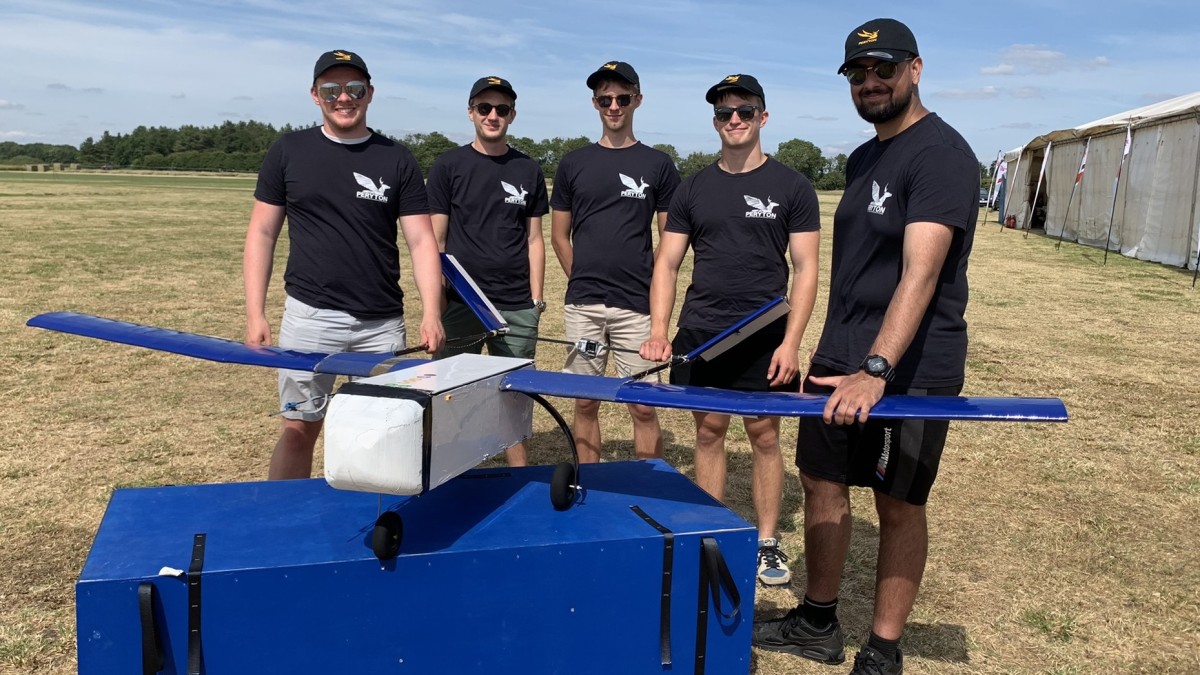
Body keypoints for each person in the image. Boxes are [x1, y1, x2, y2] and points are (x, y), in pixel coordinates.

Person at [751, 19, 980, 675]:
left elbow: (922, 271)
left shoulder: (941, 154)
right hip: (839, 358)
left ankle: (882, 649)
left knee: (899, 504)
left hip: (908, 368)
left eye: (883, 67)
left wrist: (876, 369)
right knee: (820, 480)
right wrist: (838, 357)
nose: (870, 82)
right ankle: (817, 621)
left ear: (916, 68)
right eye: (857, 73)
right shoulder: (863, 157)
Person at [639, 74, 820, 586]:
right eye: (724, 113)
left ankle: (766, 541)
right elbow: (667, 263)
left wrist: (791, 342)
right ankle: (709, 533)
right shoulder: (692, 188)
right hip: (705, 333)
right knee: (709, 430)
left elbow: (806, 269)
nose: (734, 119)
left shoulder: (792, 186)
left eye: (744, 110)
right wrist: (659, 331)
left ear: (763, 117)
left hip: (767, 335)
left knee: (764, 435)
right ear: (714, 122)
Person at [244, 49, 445, 480]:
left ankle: (368, 527)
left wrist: (431, 313)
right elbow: (262, 233)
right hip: (309, 320)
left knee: (381, 433)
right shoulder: (288, 151)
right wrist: (255, 313)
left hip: (382, 325)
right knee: (299, 429)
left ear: (369, 94)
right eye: (331, 89)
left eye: (354, 89)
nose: (343, 98)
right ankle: (285, 524)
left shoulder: (397, 158)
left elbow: (422, 240)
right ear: (315, 95)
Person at [550, 61, 681, 464]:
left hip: (637, 307)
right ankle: (589, 479)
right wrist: (583, 278)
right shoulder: (573, 163)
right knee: (585, 403)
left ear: (637, 101)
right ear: (594, 103)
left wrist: (648, 280)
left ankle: (646, 486)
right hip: (583, 306)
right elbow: (558, 235)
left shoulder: (658, 164)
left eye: (622, 98)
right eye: (605, 99)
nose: (613, 105)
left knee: (643, 405)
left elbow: (669, 240)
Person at [427, 76, 549, 467]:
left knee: (513, 395)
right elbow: (436, 239)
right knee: (450, 393)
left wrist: (535, 300)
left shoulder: (528, 169)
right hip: (462, 301)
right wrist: (436, 299)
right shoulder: (449, 165)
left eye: (502, 109)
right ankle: (449, 469)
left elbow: (534, 239)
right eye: (485, 108)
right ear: (471, 112)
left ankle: (518, 473)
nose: (493, 115)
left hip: (515, 303)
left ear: (512, 116)